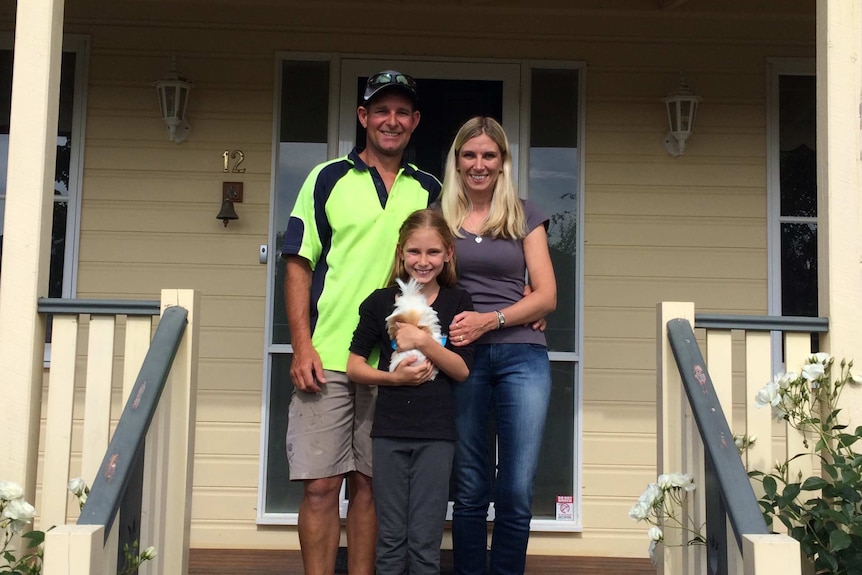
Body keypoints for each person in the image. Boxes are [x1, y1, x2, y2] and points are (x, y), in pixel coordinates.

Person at [281, 70, 441, 575]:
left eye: (402, 112)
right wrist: (301, 344)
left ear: (414, 122)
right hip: (328, 357)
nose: (391, 121)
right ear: (363, 117)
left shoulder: (429, 189)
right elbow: (298, 261)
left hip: (398, 364)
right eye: (381, 110)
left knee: (371, 487)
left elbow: (454, 259)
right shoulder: (326, 178)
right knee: (322, 485)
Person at [441, 116, 557, 575]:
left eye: (489, 155)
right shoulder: (441, 217)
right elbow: (425, 281)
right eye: (469, 155)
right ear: (457, 161)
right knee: (469, 484)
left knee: (515, 486)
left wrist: (495, 318)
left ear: (503, 161)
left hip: (521, 356)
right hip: (463, 358)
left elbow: (547, 294)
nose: (479, 164)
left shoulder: (525, 215)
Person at [347, 208, 474, 575]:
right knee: (389, 542)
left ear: (448, 253)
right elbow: (355, 366)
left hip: (436, 435)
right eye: (415, 252)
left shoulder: (457, 302)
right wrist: (394, 380)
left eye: (433, 252)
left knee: (424, 543)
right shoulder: (379, 302)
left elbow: (462, 369)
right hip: (388, 432)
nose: (423, 261)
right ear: (401, 252)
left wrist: (422, 340)